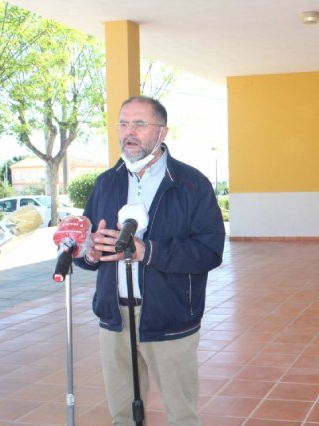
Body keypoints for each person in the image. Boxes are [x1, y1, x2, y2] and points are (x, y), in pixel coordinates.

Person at [76, 95, 225, 425]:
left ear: (162, 132)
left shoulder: (191, 185)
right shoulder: (106, 183)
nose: (129, 132)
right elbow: (88, 243)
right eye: (123, 124)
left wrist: (148, 251)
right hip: (114, 316)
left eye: (139, 124)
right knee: (123, 415)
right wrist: (89, 252)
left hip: (169, 314)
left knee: (182, 416)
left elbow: (210, 250)